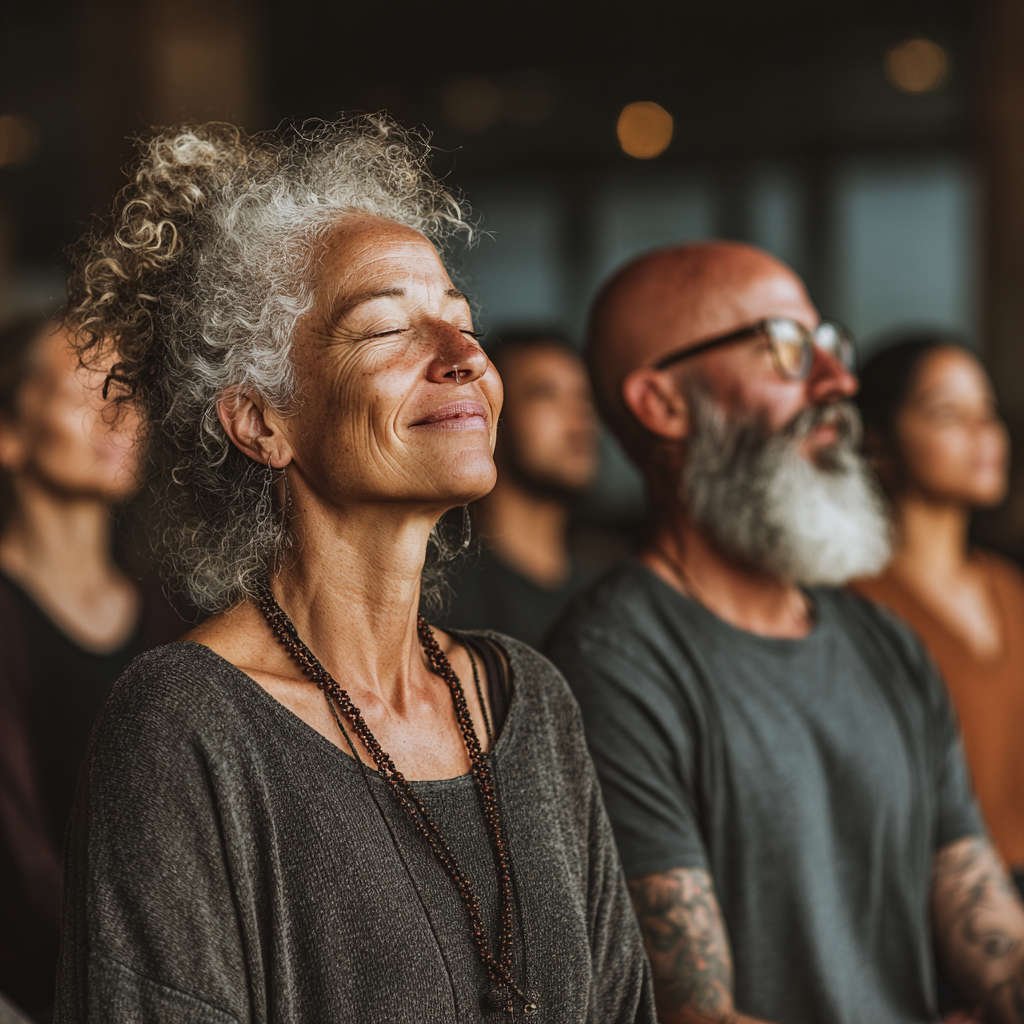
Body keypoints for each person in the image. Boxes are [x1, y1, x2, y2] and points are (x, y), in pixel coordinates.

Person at [54, 118, 655, 1024]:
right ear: (262, 423)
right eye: (386, 329)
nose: (465, 358)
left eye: (459, 318)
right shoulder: (186, 726)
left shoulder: (528, 700)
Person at [545, 240, 1024, 1024]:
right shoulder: (608, 669)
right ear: (662, 403)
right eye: (786, 350)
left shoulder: (887, 642)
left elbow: (985, 921)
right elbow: (694, 1015)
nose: (839, 382)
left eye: (828, 345)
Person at [0, 314, 184, 1022]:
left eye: (126, 387)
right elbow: (19, 871)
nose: (118, 410)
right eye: (83, 387)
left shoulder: (176, 619)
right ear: (10, 435)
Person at [851, 335, 1024, 893]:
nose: (983, 434)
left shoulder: (1007, 585)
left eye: (988, 413)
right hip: (929, 905)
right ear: (878, 444)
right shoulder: (854, 603)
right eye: (949, 413)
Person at [439, 330, 601, 647]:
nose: (579, 416)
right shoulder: (441, 595)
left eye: (584, 396)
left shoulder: (603, 597)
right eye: (545, 394)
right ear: (488, 414)